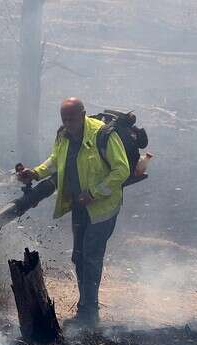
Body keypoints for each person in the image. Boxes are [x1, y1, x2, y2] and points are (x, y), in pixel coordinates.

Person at [17, 97, 130, 327]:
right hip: (79, 206)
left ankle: (89, 312)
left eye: (72, 118)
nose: (68, 123)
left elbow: (122, 170)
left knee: (90, 256)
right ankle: (86, 308)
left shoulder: (103, 135)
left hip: (103, 208)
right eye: (64, 118)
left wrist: (95, 192)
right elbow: (55, 160)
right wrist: (35, 173)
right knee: (79, 256)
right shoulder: (63, 135)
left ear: (83, 114)